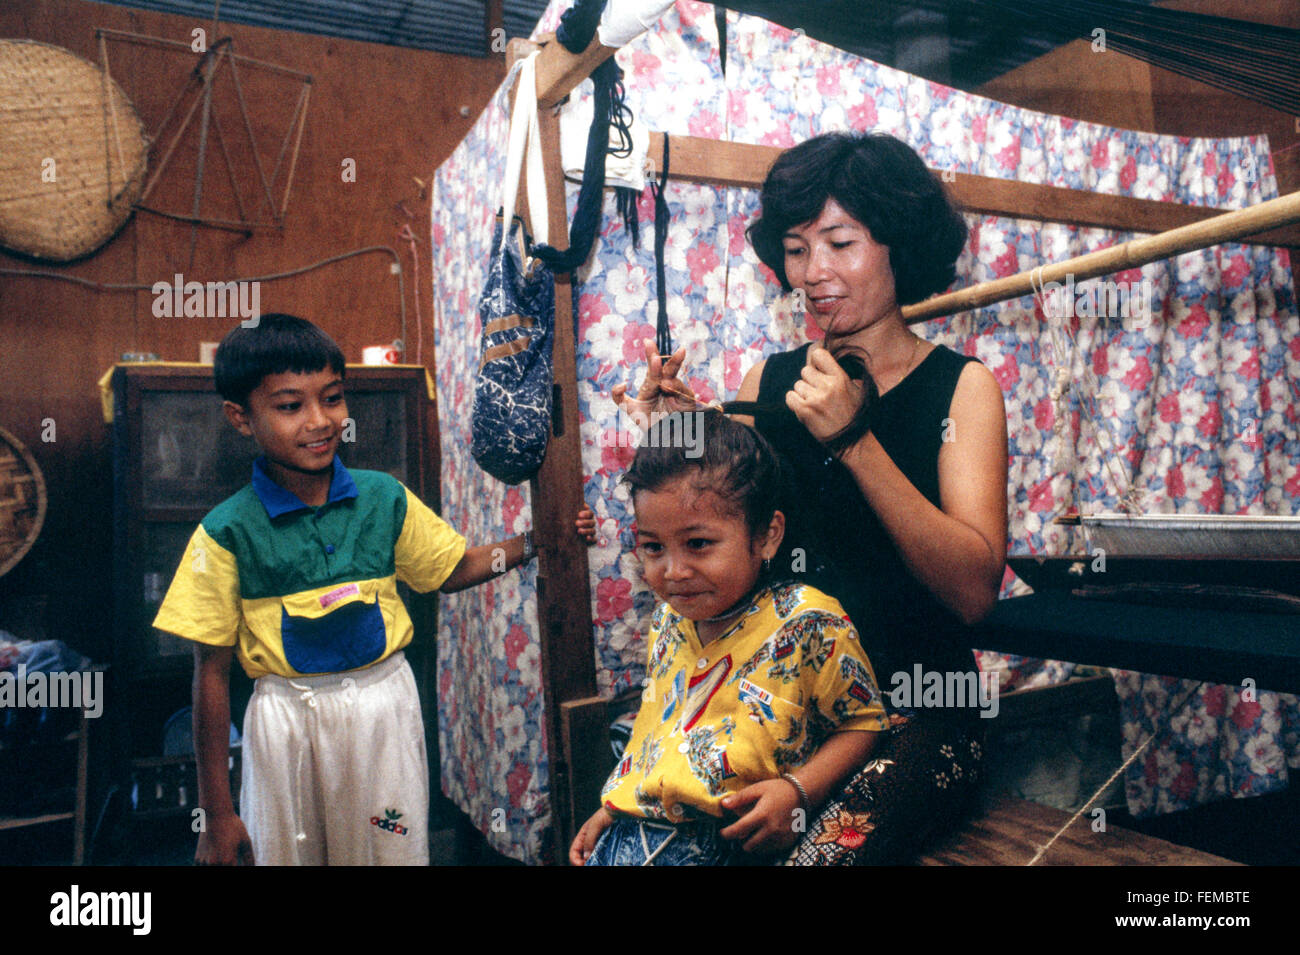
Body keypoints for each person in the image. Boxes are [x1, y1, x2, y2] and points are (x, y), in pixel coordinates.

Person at [613, 132, 1008, 864]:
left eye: (840, 242)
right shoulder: (772, 380)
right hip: (782, 702)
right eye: (797, 249)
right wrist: (683, 426)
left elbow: (974, 595)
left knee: (817, 857)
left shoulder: (963, 387)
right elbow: (728, 523)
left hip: (922, 711)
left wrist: (856, 441)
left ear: (899, 243)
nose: (814, 273)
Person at [154, 313, 596, 866]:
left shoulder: (383, 498)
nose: (319, 421)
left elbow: (451, 568)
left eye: (333, 398)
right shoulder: (225, 532)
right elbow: (211, 673)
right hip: (283, 725)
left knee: (392, 848)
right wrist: (217, 814)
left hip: (383, 713)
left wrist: (537, 542)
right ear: (240, 418)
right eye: (290, 406)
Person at [569, 410, 890, 865]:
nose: (674, 572)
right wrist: (615, 807)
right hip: (628, 838)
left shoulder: (808, 621)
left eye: (698, 544)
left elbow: (864, 722)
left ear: (767, 535)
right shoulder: (667, 622)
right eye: (653, 547)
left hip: (732, 846)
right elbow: (655, 729)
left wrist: (798, 792)